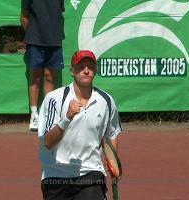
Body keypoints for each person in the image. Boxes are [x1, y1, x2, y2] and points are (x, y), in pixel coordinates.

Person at [38, 50, 122, 200]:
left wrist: (112, 165)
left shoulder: (107, 101)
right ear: (72, 71)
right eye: (80, 66)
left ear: (95, 70)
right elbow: (48, 142)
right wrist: (67, 117)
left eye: (90, 66)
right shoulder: (54, 99)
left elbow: (111, 135)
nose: (86, 70)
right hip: (56, 176)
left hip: (91, 174)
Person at [20, 0, 65, 131]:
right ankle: (34, 115)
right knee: (35, 77)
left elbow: (59, 12)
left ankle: (48, 114)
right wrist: (32, 35)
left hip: (54, 40)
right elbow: (24, 16)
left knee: (49, 76)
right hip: (35, 40)